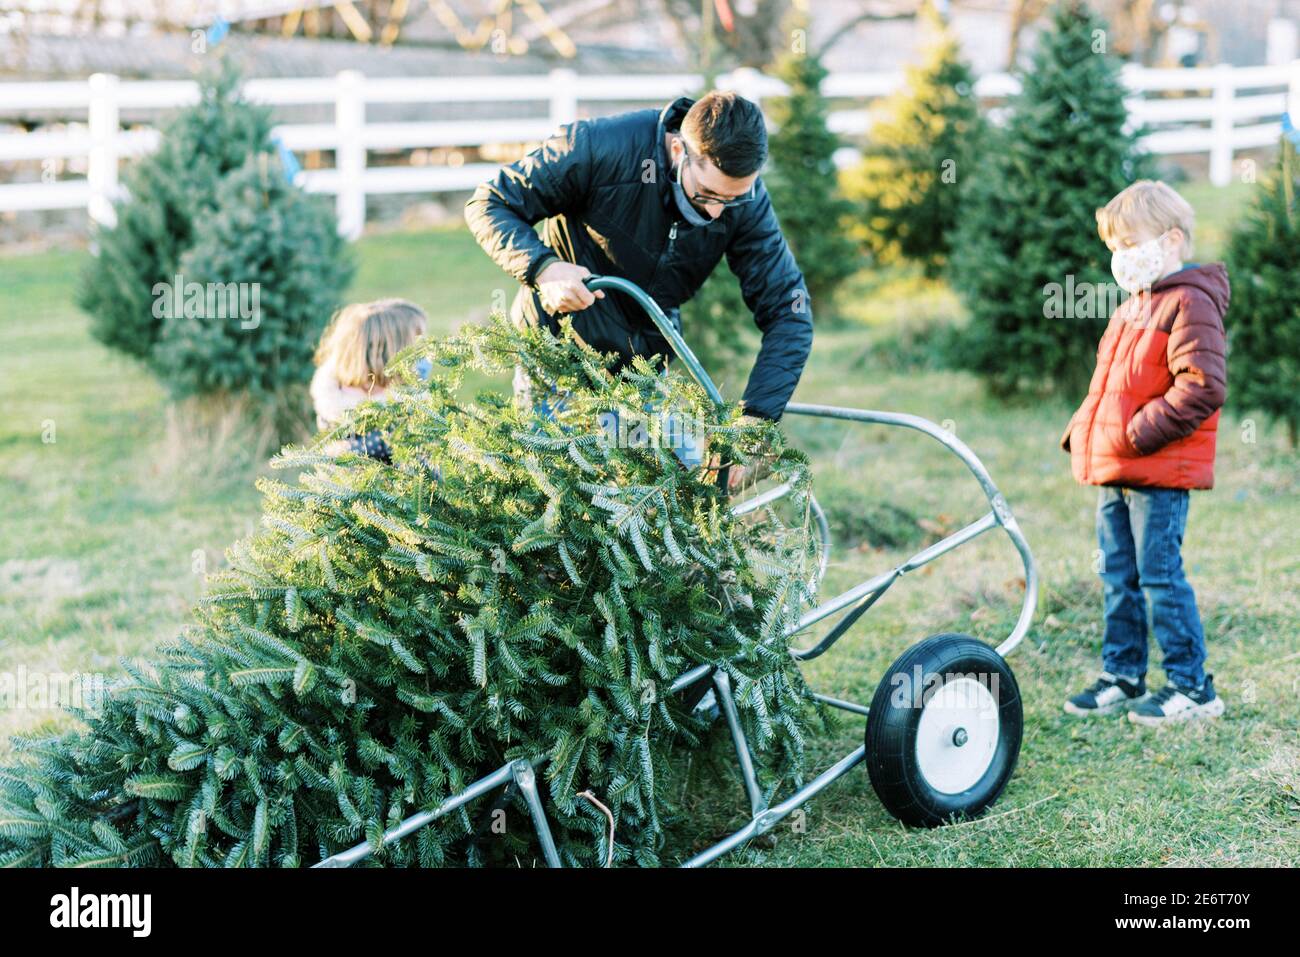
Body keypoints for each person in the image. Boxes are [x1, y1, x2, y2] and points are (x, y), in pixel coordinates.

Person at [464, 90, 814, 490]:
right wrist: (545, 269)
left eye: (732, 200)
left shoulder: (742, 201)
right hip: (558, 350)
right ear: (679, 149)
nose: (717, 211)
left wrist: (756, 420)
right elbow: (490, 202)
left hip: (643, 365)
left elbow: (789, 310)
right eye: (706, 194)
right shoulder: (599, 147)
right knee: (561, 499)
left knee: (673, 496)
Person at [1060, 180, 1229, 726]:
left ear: (1171, 239)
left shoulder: (1190, 302)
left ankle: (1192, 687)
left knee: (1159, 575)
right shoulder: (1135, 305)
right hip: (1118, 469)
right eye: (1114, 247)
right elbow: (1110, 386)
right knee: (1118, 575)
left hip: (1157, 472)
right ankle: (1123, 673)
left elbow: (1202, 385)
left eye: (1130, 243)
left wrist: (1137, 434)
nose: (1120, 258)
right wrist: (1085, 434)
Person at [310, 298, 428, 463]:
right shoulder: (336, 405)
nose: (424, 351)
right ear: (389, 353)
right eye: (416, 343)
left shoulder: (411, 387)